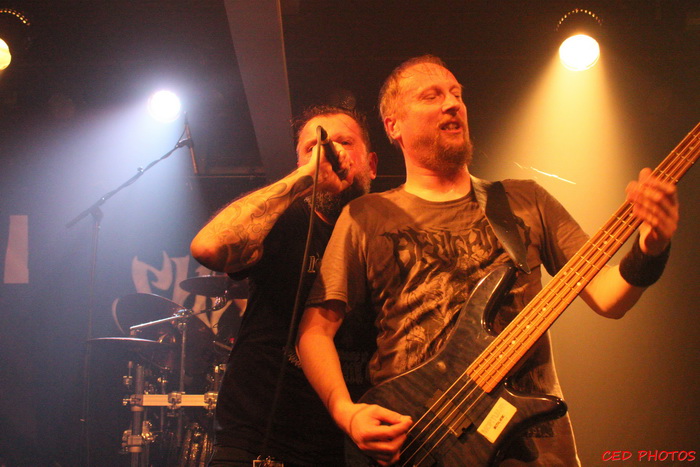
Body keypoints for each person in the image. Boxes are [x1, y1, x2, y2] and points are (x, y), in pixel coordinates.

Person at [296, 55, 678, 466]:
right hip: (415, 444)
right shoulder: (366, 216)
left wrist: (651, 246)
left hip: (532, 448)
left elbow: (608, 297)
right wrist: (347, 413)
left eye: (456, 94)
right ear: (394, 126)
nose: (452, 104)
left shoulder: (524, 200)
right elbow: (314, 334)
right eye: (431, 96)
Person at [190, 105, 378, 466]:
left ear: (371, 165)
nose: (330, 153)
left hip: (348, 446)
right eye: (313, 148)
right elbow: (208, 247)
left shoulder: (385, 236)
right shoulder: (287, 220)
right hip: (258, 442)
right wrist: (307, 177)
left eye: (344, 142)